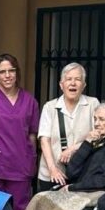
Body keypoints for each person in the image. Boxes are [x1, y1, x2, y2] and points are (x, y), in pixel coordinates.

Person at [0, 53, 39, 210]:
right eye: (2, 72)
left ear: (17, 73)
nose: (7, 75)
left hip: (21, 164)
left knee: (20, 209)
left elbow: (33, 135)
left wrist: (31, 160)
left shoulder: (29, 100)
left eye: (11, 71)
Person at [37, 62, 98, 193]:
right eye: (68, 79)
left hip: (82, 171)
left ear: (84, 85)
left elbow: (98, 135)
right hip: (52, 171)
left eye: (77, 79)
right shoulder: (50, 107)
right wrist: (53, 169)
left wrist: (72, 149)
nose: (73, 83)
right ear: (61, 84)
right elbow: (44, 140)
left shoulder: (93, 104)